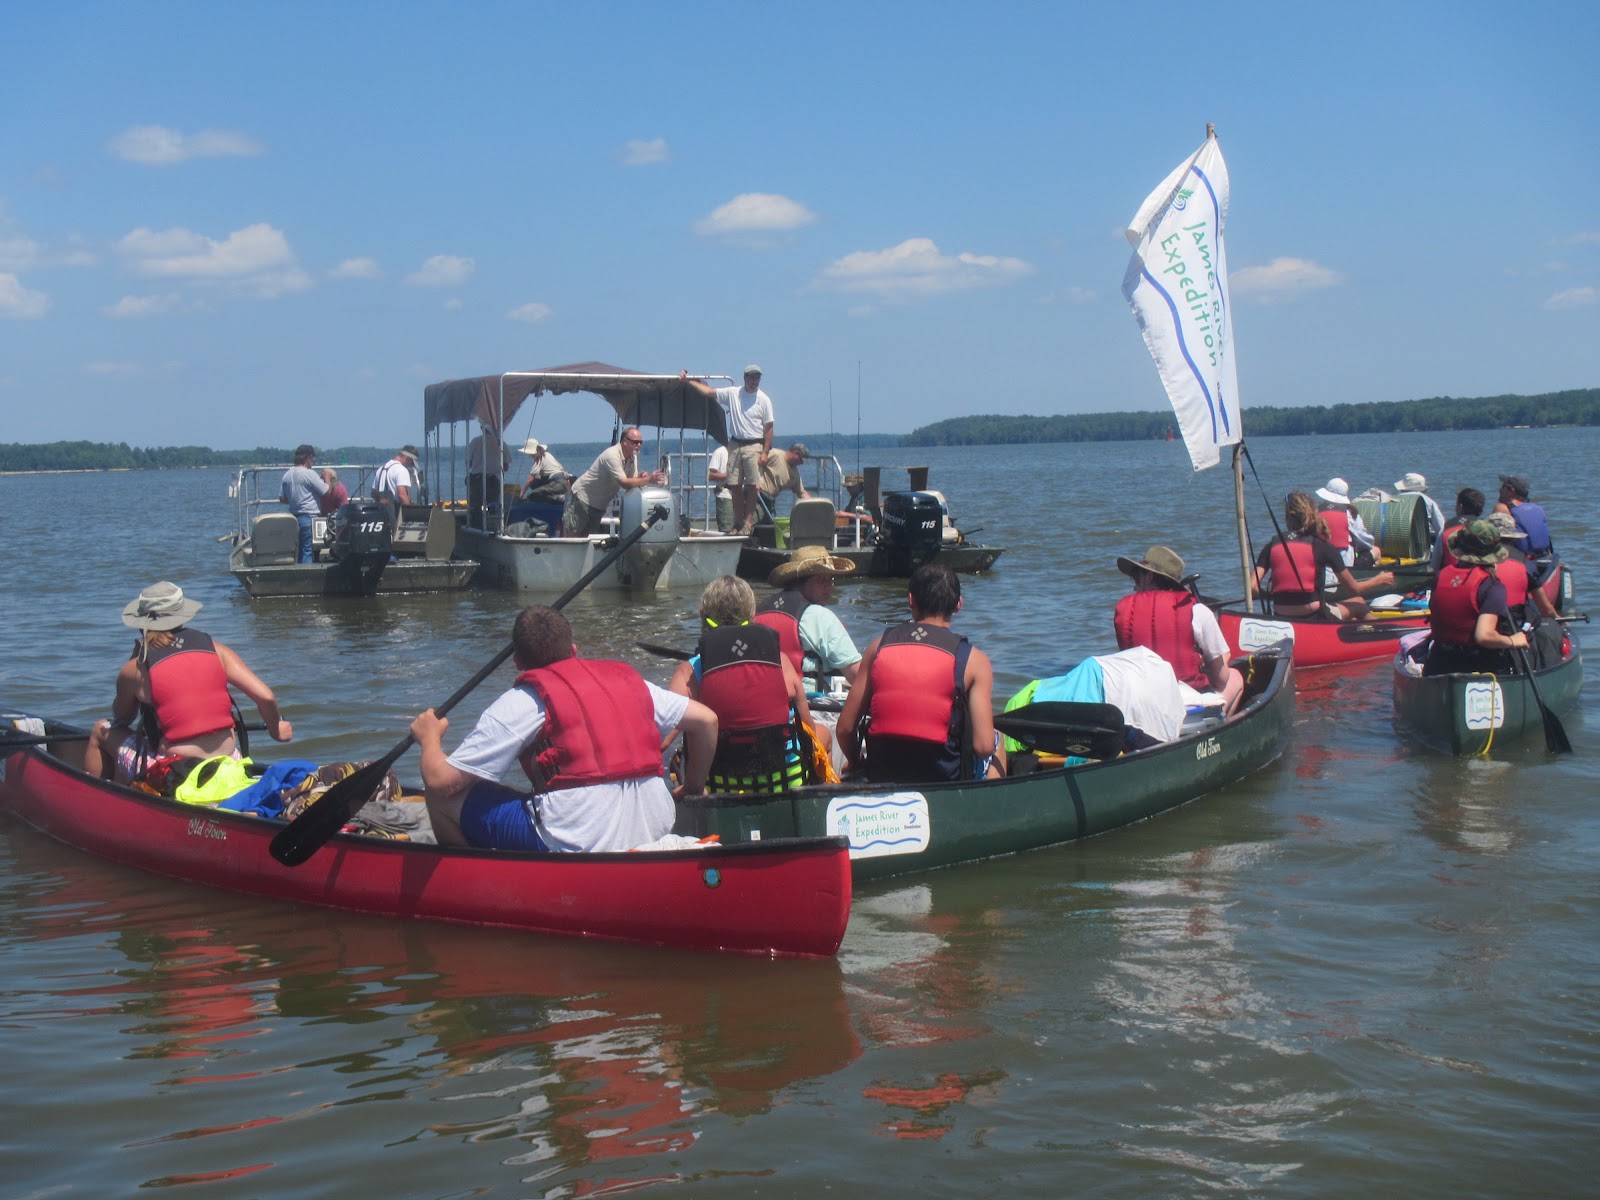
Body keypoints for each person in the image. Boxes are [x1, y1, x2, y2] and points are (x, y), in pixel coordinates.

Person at [410, 605, 716, 851]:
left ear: (517, 662)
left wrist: (429, 739)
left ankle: (477, 883)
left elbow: (441, 782)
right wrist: (692, 787)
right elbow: (707, 721)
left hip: (577, 836)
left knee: (441, 798)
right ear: (573, 648)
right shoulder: (631, 681)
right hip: (656, 821)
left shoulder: (523, 700)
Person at [83, 582, 293, 781]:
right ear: (181, 617)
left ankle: (100, 799)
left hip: (178, 773)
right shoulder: (217, 650)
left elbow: (122, 718)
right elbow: (265, 697)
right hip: (227, 761)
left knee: (99, 730)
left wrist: (133, 663)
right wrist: (276, 729)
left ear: (142, 623)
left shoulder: (135, 669)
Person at [838, 562, 1005, 782]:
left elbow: (845, 729)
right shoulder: (975, 661)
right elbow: (982, 747)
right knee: (996, 739)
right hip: (943, 780)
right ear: (958, 605)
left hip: (883, 775)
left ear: (910, 600)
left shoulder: (878, 647)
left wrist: (859, 763)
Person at [667, 576, 821, 792]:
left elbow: (663, 738)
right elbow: (808, 729)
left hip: (719, 785)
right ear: (751, 615)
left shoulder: (690, 671)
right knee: (824, 734)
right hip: (785, 780)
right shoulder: (781, 661)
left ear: (704, 616)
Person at [1113, 545, 1244, 715]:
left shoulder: (1124, 610)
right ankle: (1219, 730)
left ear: (1150, 577)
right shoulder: (1198, 611)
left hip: (1141, 707)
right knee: (1234, 677)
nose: (1134, 587)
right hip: (1185, 711)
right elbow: (1220, 681)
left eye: (1137, 579)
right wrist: (1213, 664)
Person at [1253, 491, 1395, 620]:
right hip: (1315, 616)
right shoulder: (1323, 547)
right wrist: (1379, 579)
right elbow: (1354, 589)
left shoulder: (1271, 546)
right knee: (1358, 603)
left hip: (1281, 615)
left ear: (1287, 518)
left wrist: (1273, 596)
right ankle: (1384, 637)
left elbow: (1253, 589)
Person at [1422, 520, 1530, 677]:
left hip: (1439, 661)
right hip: (1478, 664)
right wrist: (1513, 640)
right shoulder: (1492, 587)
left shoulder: (1440, 576)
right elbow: (1484, 636)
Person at [680, 365, 774, 537]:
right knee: (734, 484)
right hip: (735, 443)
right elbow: (709, 392)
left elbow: (769, 427)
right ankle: (739, 522)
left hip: (754, 444)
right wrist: (690, 381)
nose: (754, 381)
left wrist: (765, 451)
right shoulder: (733, 393)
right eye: (752, 377)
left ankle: (748, 522)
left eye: (757, 377)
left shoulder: (764, 399)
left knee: (753, 485)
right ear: (745, 377)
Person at [757, 545, 863, 692]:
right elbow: (857, 674)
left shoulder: (759, 611)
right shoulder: (820, 617)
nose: (829, 587)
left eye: (830, 580)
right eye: (821, 580)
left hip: (771, 700)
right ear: (799, 581)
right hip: (815, 704)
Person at [562, 427, 665, 537]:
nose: (638, 445)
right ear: (625, 441)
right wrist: (649, 479)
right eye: (635, 442)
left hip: (599, 505)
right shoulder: (612, 455)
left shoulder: (633, 457)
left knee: (588, 538)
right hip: (583, 498)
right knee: (574, 535)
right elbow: (624, 482)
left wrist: (640, 478)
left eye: (640, 442)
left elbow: (631, 482)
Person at [1492, 474, 1557, 585]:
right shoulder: (1537, 508)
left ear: (1511, 490)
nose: (1499, 489)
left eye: (1502, 486)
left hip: (1522, 563)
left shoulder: (1502, 508)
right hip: (1543, 560)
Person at [279, 443, 330, 563]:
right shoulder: (309, 474)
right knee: (308, 549)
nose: (313, 461)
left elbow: (282, 499)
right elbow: (326, 491)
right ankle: (307, 576)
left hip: (293, 518)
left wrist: (295, 498)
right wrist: (327, 476)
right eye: (312, 458)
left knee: (298, 550)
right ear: (308, 458)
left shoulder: (287, 475)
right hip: (309, 517)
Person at [1313, 477, 1377, 568]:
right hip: (1344, 567)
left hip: (1320, 563)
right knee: (1376, 551)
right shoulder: (1350, 513)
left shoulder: (1315, 512)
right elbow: (1365, 541)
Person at [1431, 487, 1485, 573]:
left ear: (1460, 507)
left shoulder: (1446, 528)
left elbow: (1434, 565)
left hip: (1450, 578)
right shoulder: (1486, 529)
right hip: (1478, 578)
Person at [467, 424, 512, 526]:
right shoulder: (501, 443)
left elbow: (467, 464)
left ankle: (475, 525)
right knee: (494, 506)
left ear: (482, 429)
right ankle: (495, 525)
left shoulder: (475, 441)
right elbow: (506, 467)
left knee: (475, 507)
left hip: (476, 480)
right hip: (494, 481)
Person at [1394, 472, 1448, 545]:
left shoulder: (1393, 500)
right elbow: (1441, 528)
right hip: (1422, 547)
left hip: (1397, 544)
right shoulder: (1429, 502)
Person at [758, 443, 812, 512]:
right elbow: (756, 462)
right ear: (795, 454)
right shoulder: (776, 454)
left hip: (771, 499)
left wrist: (815, 504)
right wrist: (755, 482)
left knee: (770, 521)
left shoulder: (795, 474)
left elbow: (802, 493)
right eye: (801, 460)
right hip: (758, 494)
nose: (802, 463)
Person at [374, 445, 419, 513]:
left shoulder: (381, 469)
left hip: (380, 513)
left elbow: (373, 493)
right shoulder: (402, 470)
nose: (411, 465)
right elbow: (402, 495)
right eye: (412, 463)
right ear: (407, 458)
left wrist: (383, 501)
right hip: (393, 514)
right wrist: (411, 511)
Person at [706, 443, 735, 532]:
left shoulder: (742, 451)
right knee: (727, 528)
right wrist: (728, 475)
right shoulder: (719, 452)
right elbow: (710, 475)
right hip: (725, 494)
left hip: (742, 494)